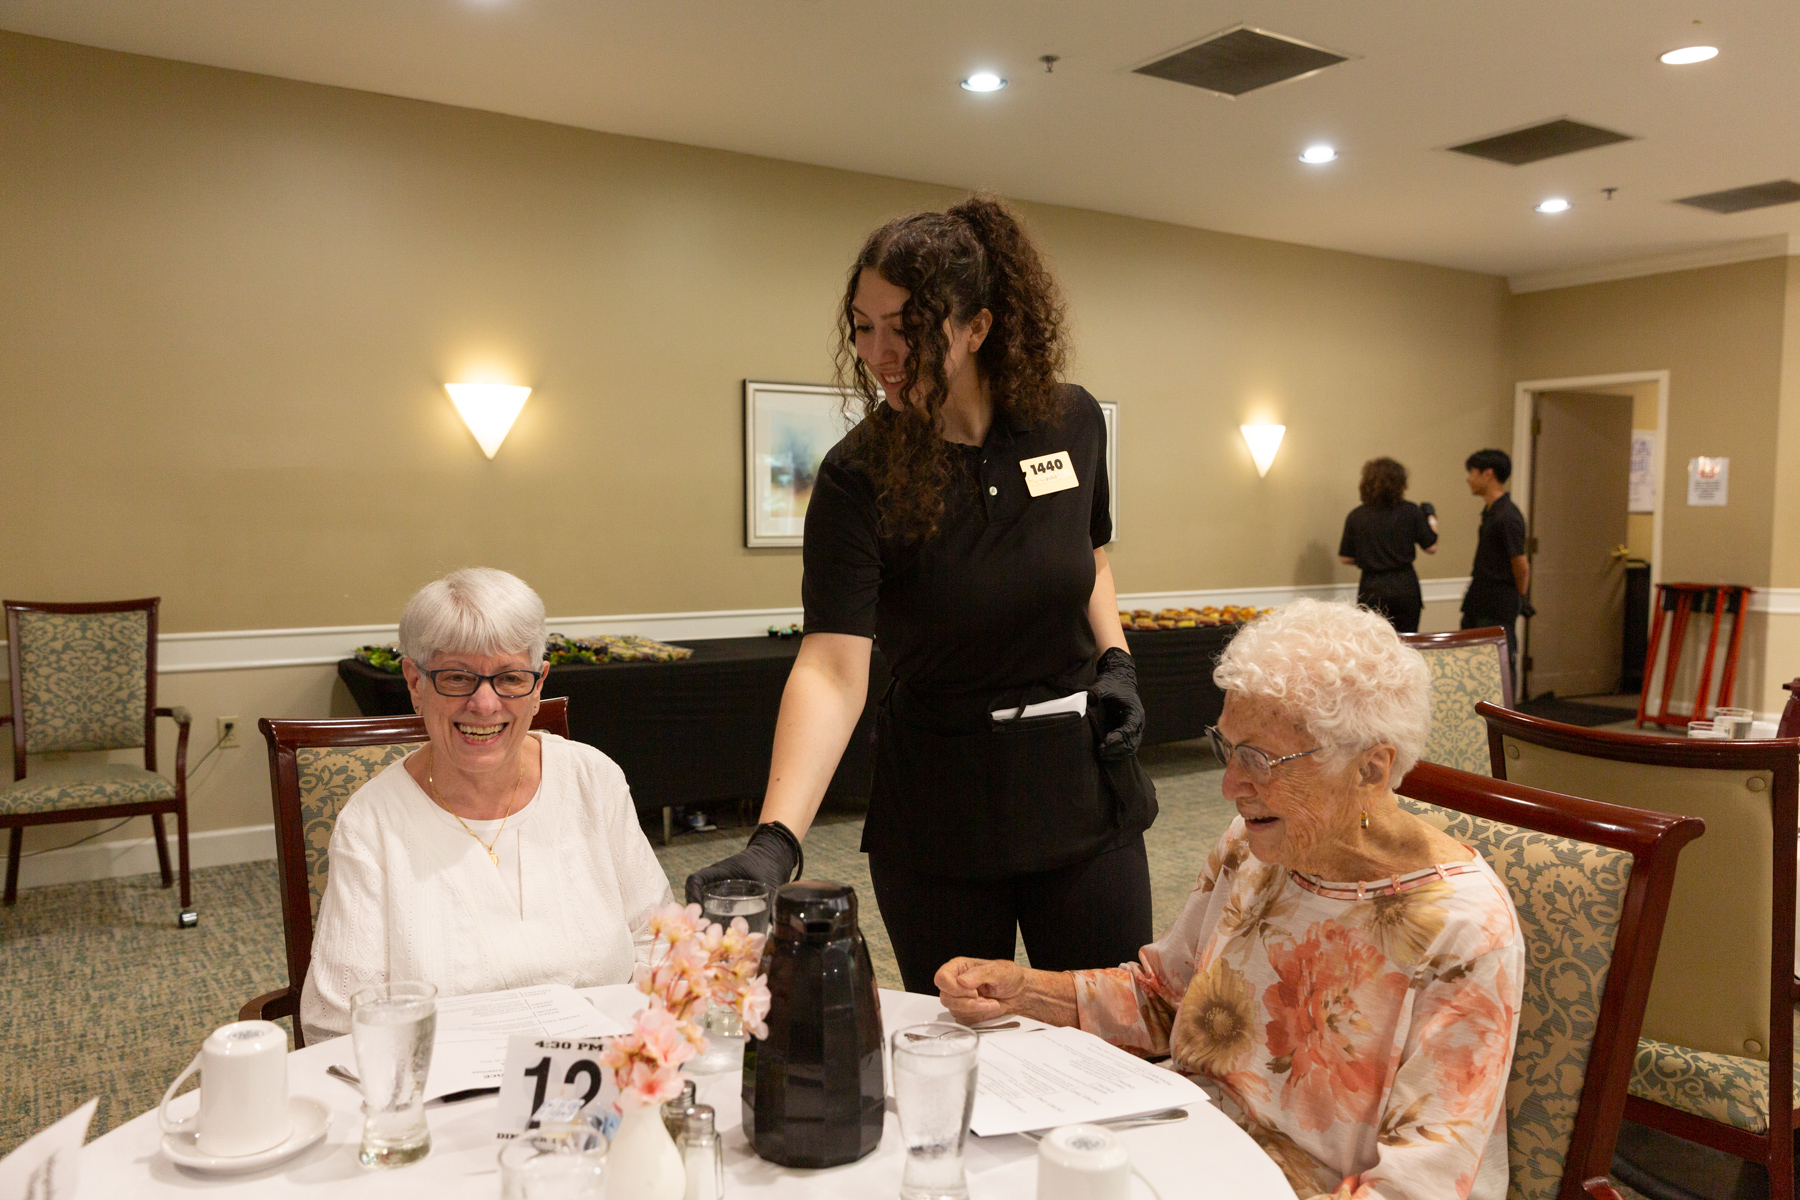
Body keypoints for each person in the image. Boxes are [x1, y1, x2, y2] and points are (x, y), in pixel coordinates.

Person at [685, 195, 1157, 993]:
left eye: (906, 326)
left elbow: (1089, 554)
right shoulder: (857, 476)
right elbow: (832, 667)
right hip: (941, 809)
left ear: (978, 327)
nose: (880, 352)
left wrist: (1117, 660)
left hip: (1078, 789)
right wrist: (776, 839)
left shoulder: (1069, 422)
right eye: (863, 326)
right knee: (959, 1033)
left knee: (1110, 1023)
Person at [936, 599, 1524, 1200]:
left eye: (1259, 760)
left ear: (1370, 771)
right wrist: (1026, 990)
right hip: (1177, 1147)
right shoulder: (1253, 847)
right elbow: (1165, 998)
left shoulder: (1463, 928)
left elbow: (1418, 1185)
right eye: (1228, 748)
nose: (1228, 786)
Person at [301, 568, 673, 1042]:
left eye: (510, 678)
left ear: (538, 685)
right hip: (443, 1082)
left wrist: (633, 1055)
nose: (484, 704)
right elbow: (339, 1023)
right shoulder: (371, 824)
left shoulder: (592, 779)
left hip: (605, 1067)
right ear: (414, 683)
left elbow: (660, 942)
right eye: (457, 678)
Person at [1337, 456, 1438, 632]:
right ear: (1400, 484)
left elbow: (1345, 558)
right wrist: (1431, 517)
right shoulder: (1411, 511)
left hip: (1372, 587)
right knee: (1406, 641)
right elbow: (1431, 547)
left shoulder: (1356, 516)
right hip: (1405, 587)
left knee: (1374, 641)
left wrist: (1369, 558)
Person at [1461, 449, 1530, 672]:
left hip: (1497, 605)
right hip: (1481, 600)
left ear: (1488, 474)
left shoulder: (1507, 516)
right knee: (1473, 664)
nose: (1469, 479)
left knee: (1498, 668)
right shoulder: (1492, 512)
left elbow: (1521, 564)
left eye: (1472, 473)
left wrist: (1519, 596)